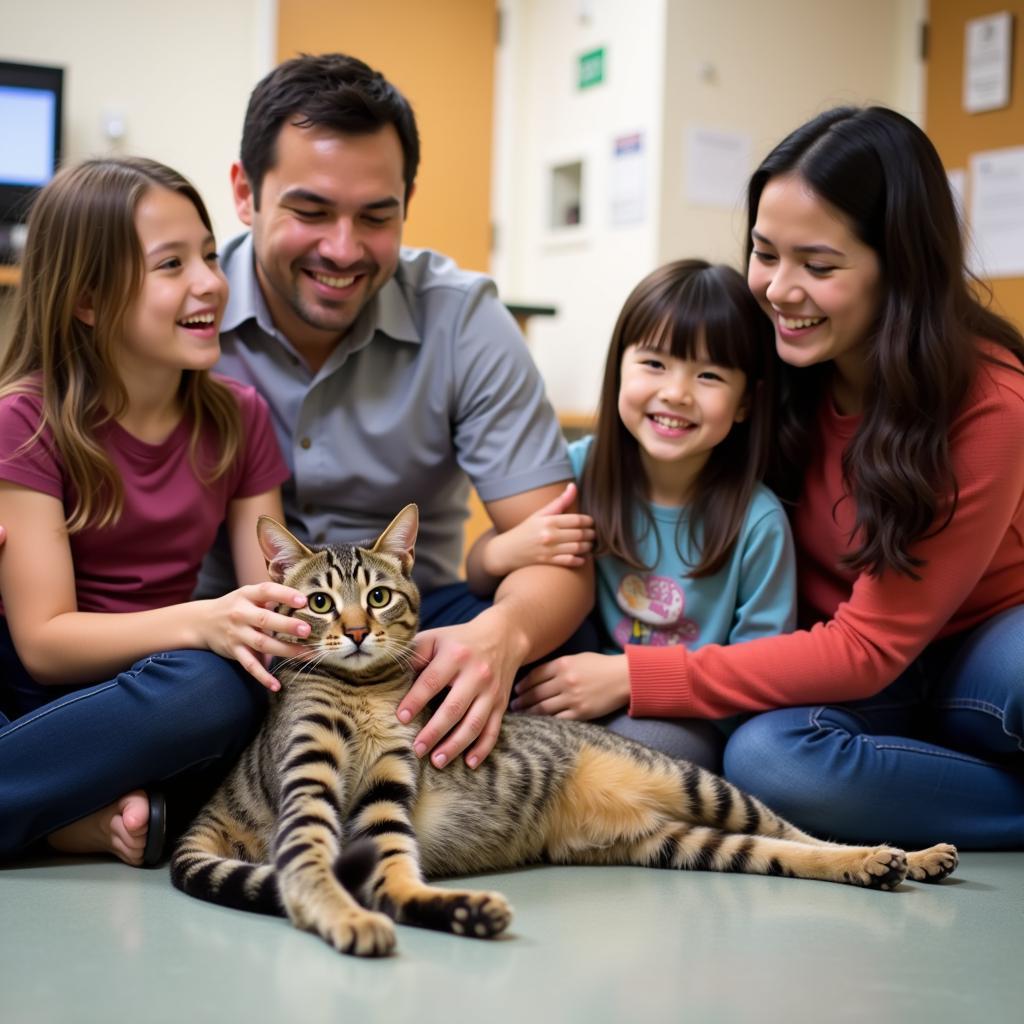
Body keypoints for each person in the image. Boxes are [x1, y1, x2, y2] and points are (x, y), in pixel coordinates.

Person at [593, 108, 1024, 849]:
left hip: (979, 653)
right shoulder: (768, 356)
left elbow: (870, 647)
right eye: (765, 254)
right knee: (771, 762)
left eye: (818, 267)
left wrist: (640, 676)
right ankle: (942, 781)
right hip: (840, 670)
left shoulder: (991, 401)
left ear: (902, 267)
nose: (779, 291)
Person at [200, 52, 591, 772]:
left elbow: (555, 548)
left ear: (407, 202)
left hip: (414, 626)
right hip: (226, 637)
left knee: (575, 657)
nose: (342, 250)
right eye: (310, 211)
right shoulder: (185, 307)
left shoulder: (464, 319)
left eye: (376, 217)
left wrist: (501, 636)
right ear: (245, 193)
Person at [0, 157, 311, 866]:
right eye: (171, 264)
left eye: (207, 253)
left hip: (156, 690)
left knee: (233, 688)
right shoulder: (26, 419)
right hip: (33, 683)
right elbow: (43, 642)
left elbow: (274, 587)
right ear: (87, 299)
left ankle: (61, 814)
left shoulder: (239, 416)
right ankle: (68, 815)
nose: (209, 281)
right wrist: (204, 620)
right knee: (213, 683)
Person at [469, 260, 797, 771]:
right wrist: (504, 549)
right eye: (654, 364)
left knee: (625, 760)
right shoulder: (580, 470)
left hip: (686, 717)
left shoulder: (758, 521)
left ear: (745, 403)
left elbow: (761, 674)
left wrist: (625, 679)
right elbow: (478, 571)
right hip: (570, 690)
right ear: (619, 366)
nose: (676, 392)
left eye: (709, 374)